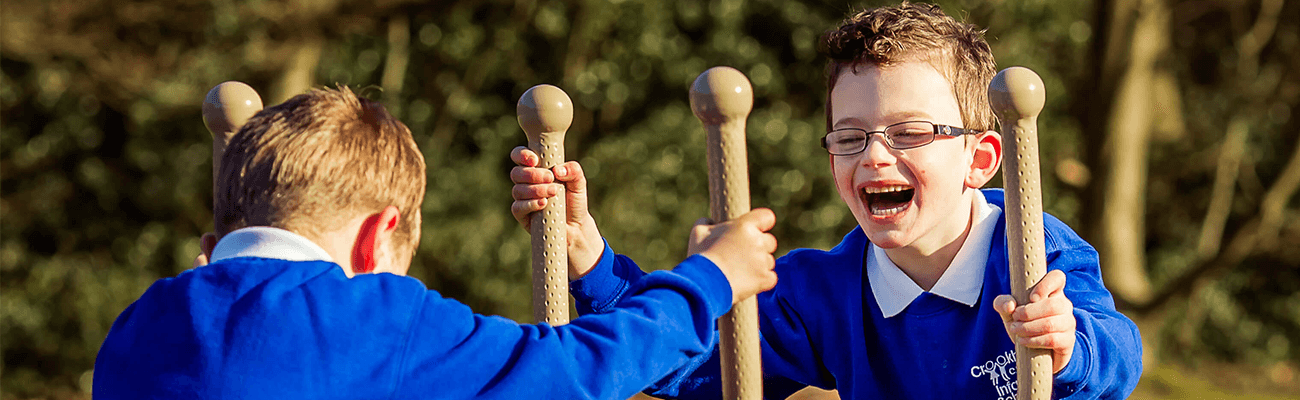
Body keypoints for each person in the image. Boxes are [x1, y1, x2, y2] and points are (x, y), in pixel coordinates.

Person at [508, 2, 1143, 399]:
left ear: (979, 160)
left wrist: (1068, 345)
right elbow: (706, 365)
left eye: (910, 133)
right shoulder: (823, 290)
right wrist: (590, 259)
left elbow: (1121, 353)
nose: (874, 155)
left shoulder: (1035, 249)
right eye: (850, 137)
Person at [93, 87, 782, 400]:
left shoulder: (140, 326)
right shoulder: (373, 320)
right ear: (378, 239)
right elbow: (575, 370)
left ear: (215, 242)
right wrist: (710, 277)